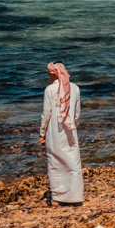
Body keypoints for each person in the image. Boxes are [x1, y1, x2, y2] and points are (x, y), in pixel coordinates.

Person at [39, 61, 83, 206]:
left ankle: (57, 197)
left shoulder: (50, 89)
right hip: (70, 131)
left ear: (53, 74)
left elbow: (46, 114)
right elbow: (76, 113)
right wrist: (74, 127)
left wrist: (42, 133)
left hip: (54, 131)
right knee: (73, 163)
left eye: (49, 74)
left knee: (55, 163)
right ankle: (75, 196)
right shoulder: (75, 88)